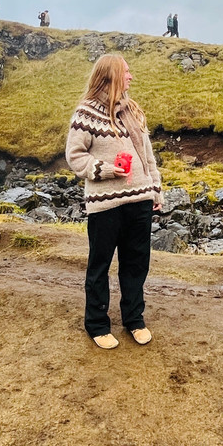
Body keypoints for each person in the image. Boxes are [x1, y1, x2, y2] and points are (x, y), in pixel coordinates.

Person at [65, 54, 163, 350]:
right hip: (105, 205)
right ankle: (96, 324)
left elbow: (148, 157)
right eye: (126, 72)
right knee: (100, 266)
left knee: (136, 264)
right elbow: (75, 156)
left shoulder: (133, 111)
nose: (131, 77)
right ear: (110, 75)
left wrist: (155, 190)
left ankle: (134, 320)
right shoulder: (86, 113)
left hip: (140, 201)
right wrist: (106, 170)